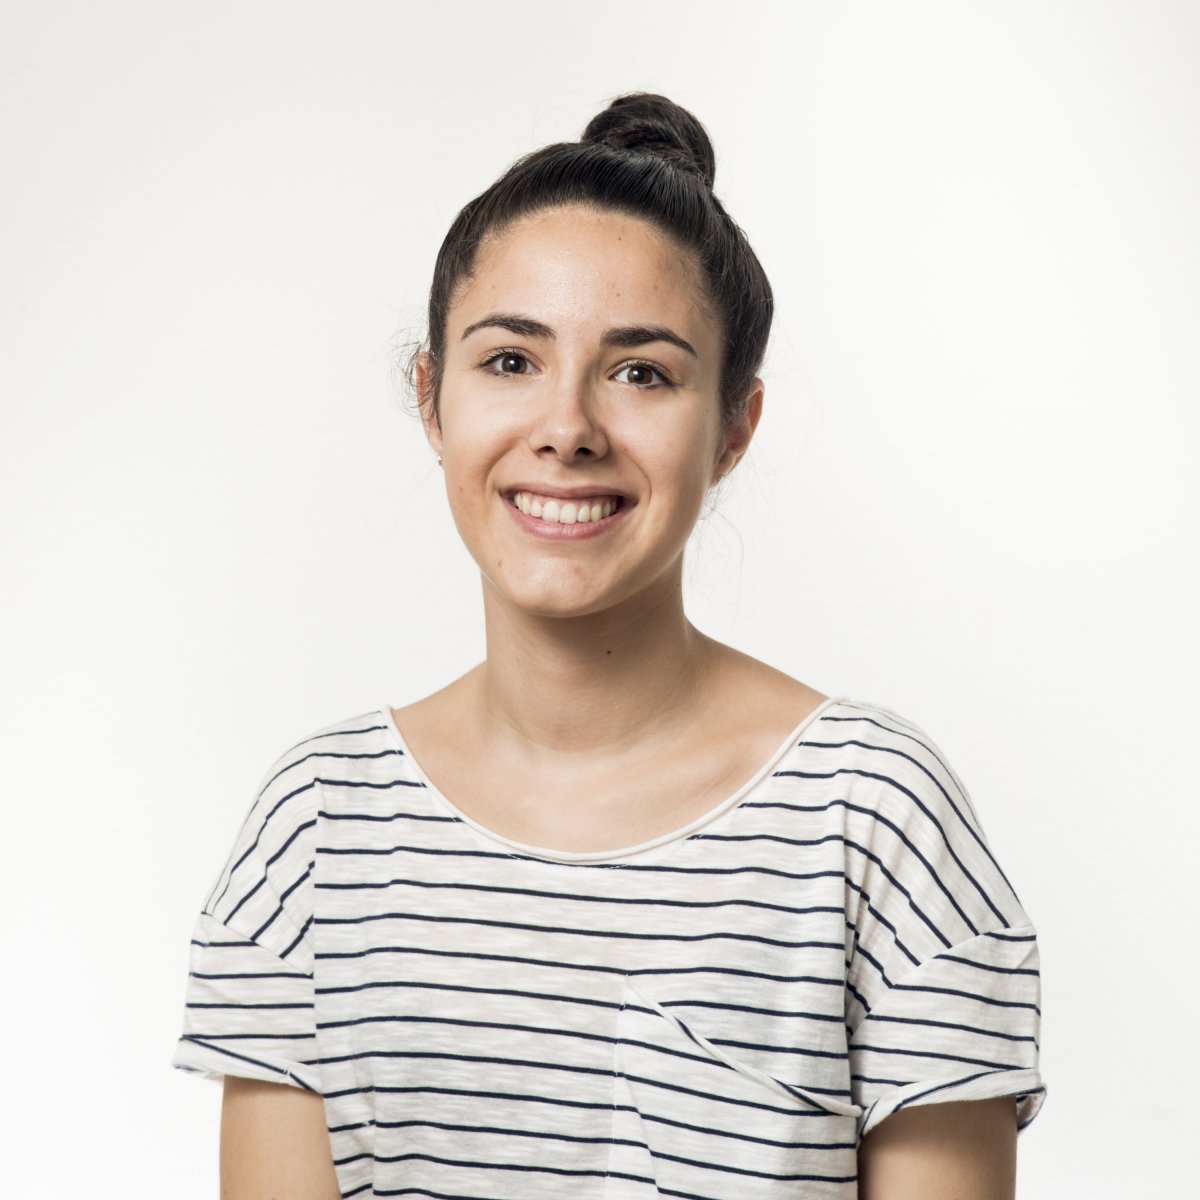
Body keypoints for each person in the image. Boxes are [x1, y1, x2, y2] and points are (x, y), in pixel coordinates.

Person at [172, 92, 1045, 1199]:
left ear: (733, 429)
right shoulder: (318, 829)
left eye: (642, 372)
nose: (568, 429)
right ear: (431, 399)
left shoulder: (871, 819)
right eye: (510, 361)